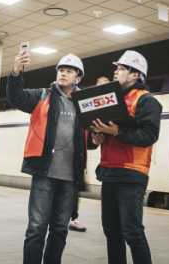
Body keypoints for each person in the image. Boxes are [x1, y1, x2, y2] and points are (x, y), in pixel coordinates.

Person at [7, 51, 93, 264]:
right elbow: (15, 97)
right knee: (36, 227)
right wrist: (16, 71)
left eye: (69, 71)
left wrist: (96, 140)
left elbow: (88, 140)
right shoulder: (42, 95)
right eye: (61, 70)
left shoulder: (86, 103)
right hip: (44, 173)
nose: (63, 74)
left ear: (78, 78)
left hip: (70, 178)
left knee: (59, 230)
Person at [90, 50, 162, 264]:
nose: (116, 72)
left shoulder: (146, 100)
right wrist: (98, 133)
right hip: (109, 172)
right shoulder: (111, 100)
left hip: (131, 173)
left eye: (121, 69)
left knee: (132, 232)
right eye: (117, 68)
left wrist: (117, 132)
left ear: (134, 75)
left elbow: (150, 135)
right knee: (112, 232)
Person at [69, 76, 109, 233]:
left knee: (73, 190)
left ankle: (73, 218)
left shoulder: (111, 107)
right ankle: (66, 218)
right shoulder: (85, 104)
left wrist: (94, 139)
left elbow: (90, 141)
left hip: (78, 158)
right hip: (64, 156)